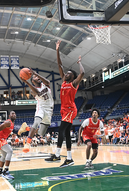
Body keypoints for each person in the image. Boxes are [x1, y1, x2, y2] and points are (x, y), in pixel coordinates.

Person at [45, 40, 84, 168]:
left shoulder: (73, 84)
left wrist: (80, 63)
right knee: (66, 134)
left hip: (70, 109)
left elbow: (82, 73)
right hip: (64, 110)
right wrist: (57, 50)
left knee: (61, 130)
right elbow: (59, 64)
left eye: (69, 74)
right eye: (66, 73)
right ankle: (69, 159)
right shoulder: (63, 81)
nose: (66, 74)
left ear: (73, 77)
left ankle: (57, 155)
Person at [19, 68, 54, 153]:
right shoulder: (32, 91)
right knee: (36, 122)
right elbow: (38, 93)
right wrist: (27, 82)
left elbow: (48, 82)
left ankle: (27, 128)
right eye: (34, 77)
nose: (37, 77)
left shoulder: (45, 84)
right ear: (32, 81)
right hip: (41, 107)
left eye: (37, 76)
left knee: (41, 133)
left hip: (49, 109)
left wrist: (37, 74)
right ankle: (28, 143)